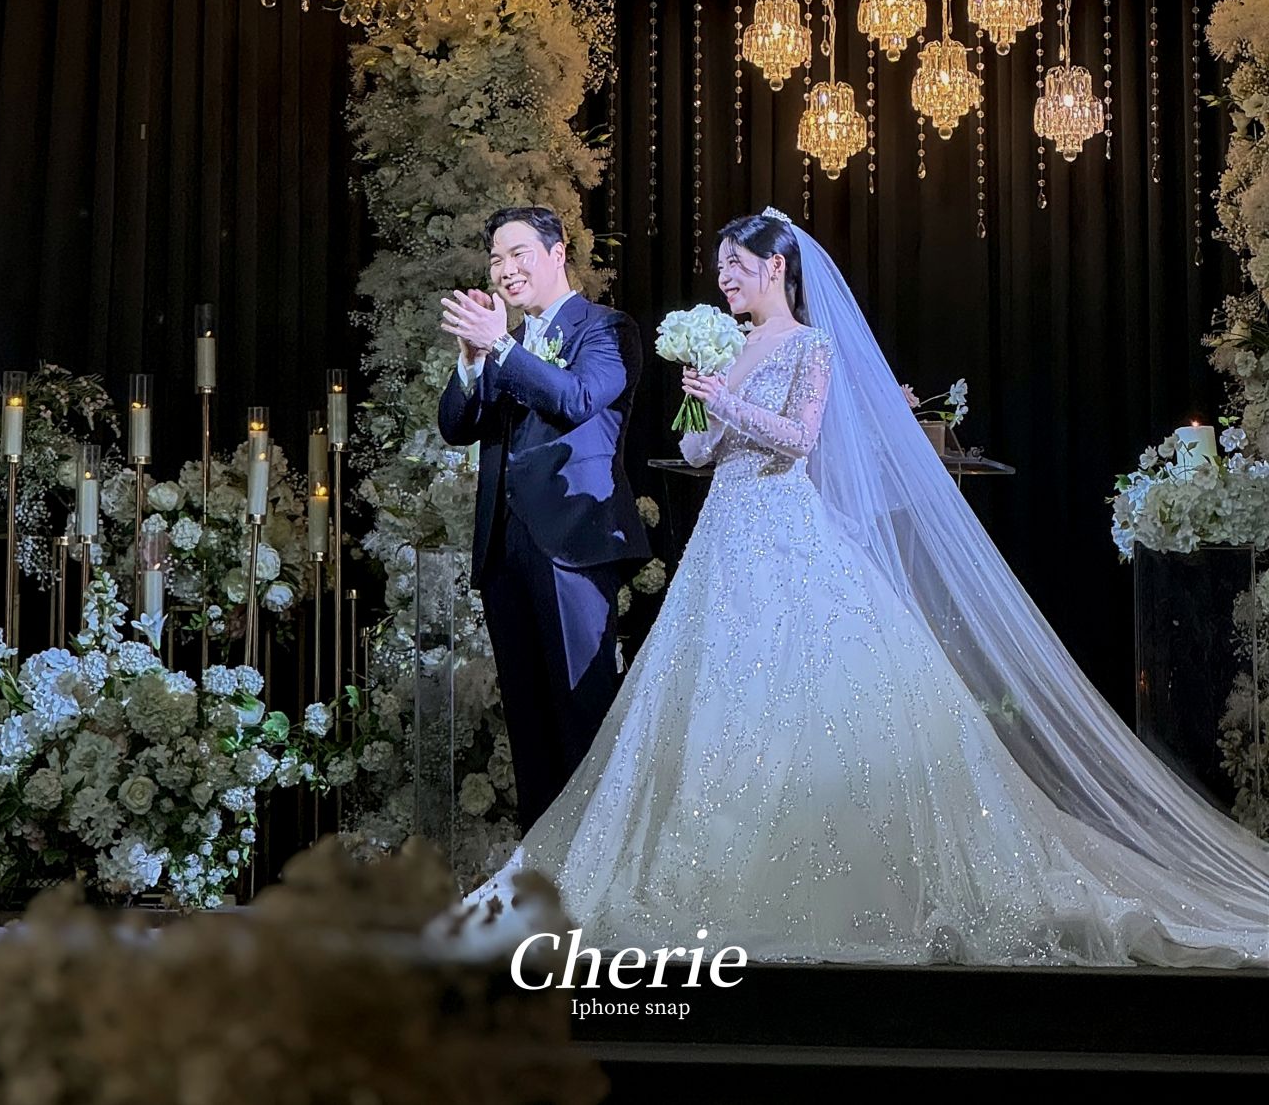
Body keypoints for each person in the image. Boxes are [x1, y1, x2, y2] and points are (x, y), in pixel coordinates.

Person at [463, 207, 1269, 966]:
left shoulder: (809, 346)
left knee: (802, 692)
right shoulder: (729, 346)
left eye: (736, 265)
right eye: (720, 268)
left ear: (776, 267)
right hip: (725, 538)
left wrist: (730, 403)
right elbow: (705, 454)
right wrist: (702, 406)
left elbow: (800, 439)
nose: (724, 279)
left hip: (785, 527)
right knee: (716, 697)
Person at [438, 206, 650, 833]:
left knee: (581, 714)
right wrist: (472, 360)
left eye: (518, 254)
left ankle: (595, 864)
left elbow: (576, 399)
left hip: (573, 545)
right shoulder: (502, 345)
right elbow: (457, 427)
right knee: (527, 723)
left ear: (558, 254)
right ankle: (541, 868)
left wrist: (502, 346)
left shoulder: (606, 328)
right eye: (495, 259)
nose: (504, 270)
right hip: (504, 546)